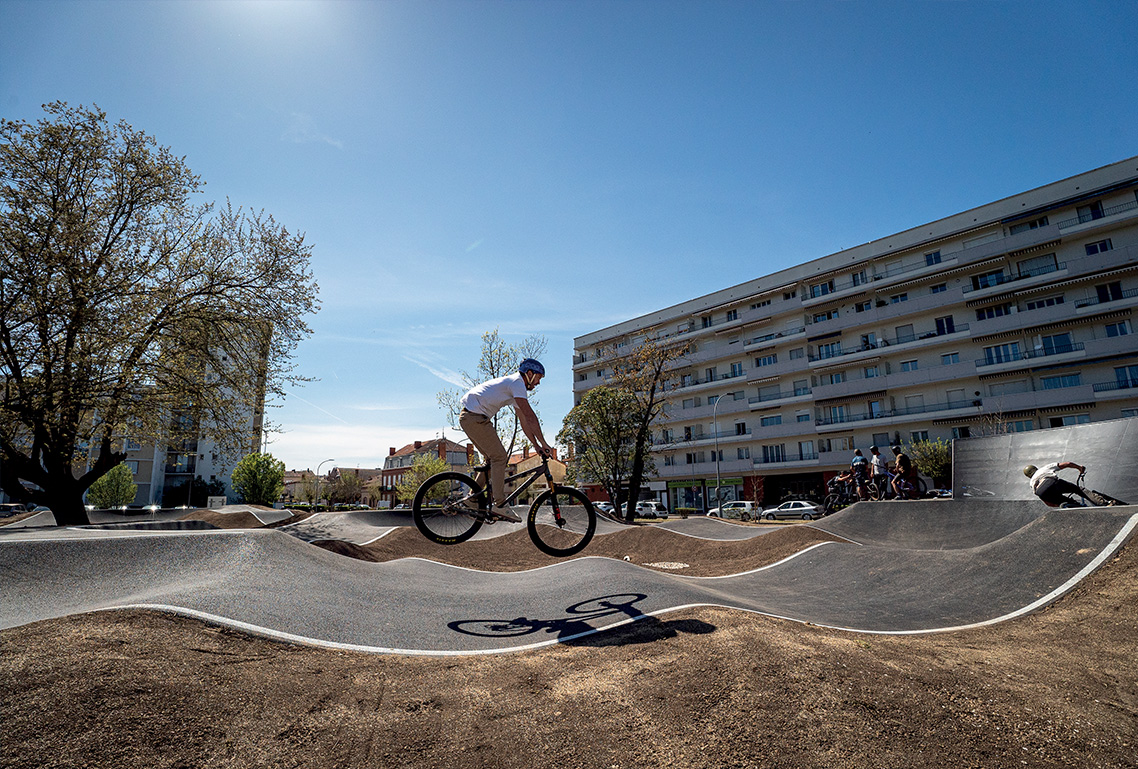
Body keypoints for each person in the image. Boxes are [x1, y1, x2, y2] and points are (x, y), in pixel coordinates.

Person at [459, 358, 555, 523]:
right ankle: (500, 504)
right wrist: (545, 444)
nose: (538, 383)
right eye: (539, 377)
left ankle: (472, 498)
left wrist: (536, 445)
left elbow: (524, 421)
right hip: (475, 417)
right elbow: (531, 416)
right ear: (529, 374)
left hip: (472, 417)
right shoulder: (517, 382)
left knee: (492, 460)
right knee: (500, 457)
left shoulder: (514, 387)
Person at [1023, 462, 1098, 508]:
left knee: (1066, 502)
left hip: (1042, 493)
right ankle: (1102, 503)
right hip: (1050, 482)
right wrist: (1079, 468)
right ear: (1035, 468)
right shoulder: (1043, 469)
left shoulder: (1031, 483)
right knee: (1077, 489)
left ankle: (1072, 506)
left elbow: (1047, 502)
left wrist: (1059, 504)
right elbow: (1067, 464)